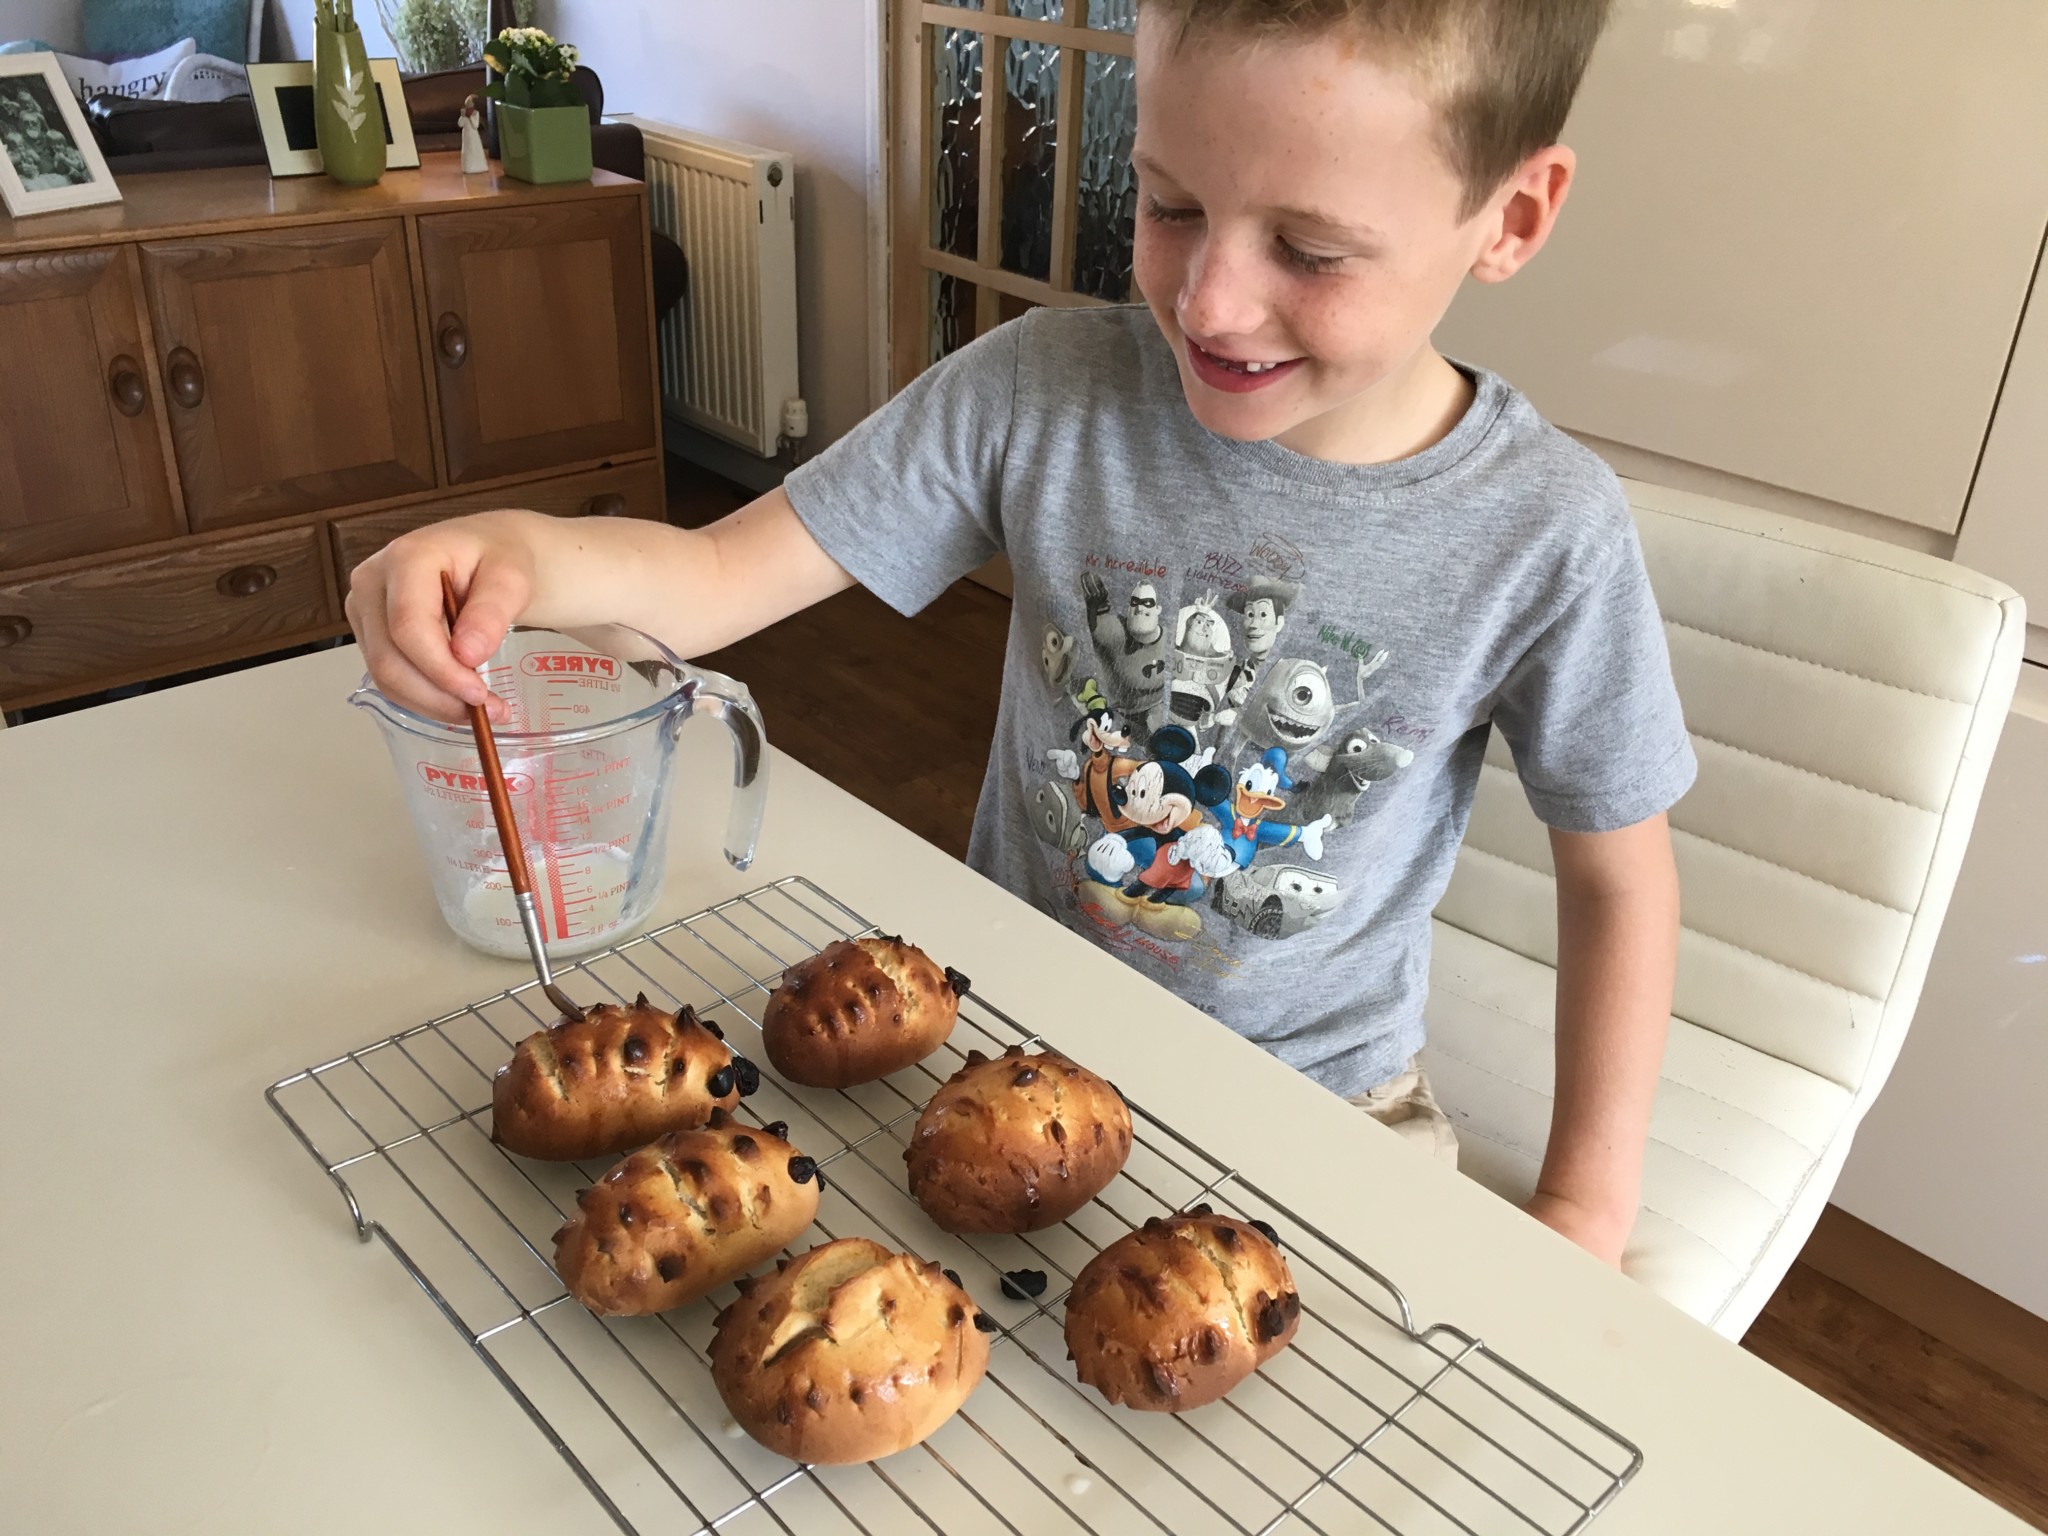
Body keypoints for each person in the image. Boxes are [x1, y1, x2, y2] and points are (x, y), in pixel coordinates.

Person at [348, 0, 1692, 1269]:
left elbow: (1621, 881)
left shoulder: (1547, 531)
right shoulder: (1040, 393)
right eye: (1170, 205)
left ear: (1513, 214)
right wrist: (518, 552)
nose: (1210, 302)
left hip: (1323, 1111)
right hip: (1003, 1045)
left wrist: (1587, 1207)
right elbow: (708, 576)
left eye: (1311, 251)